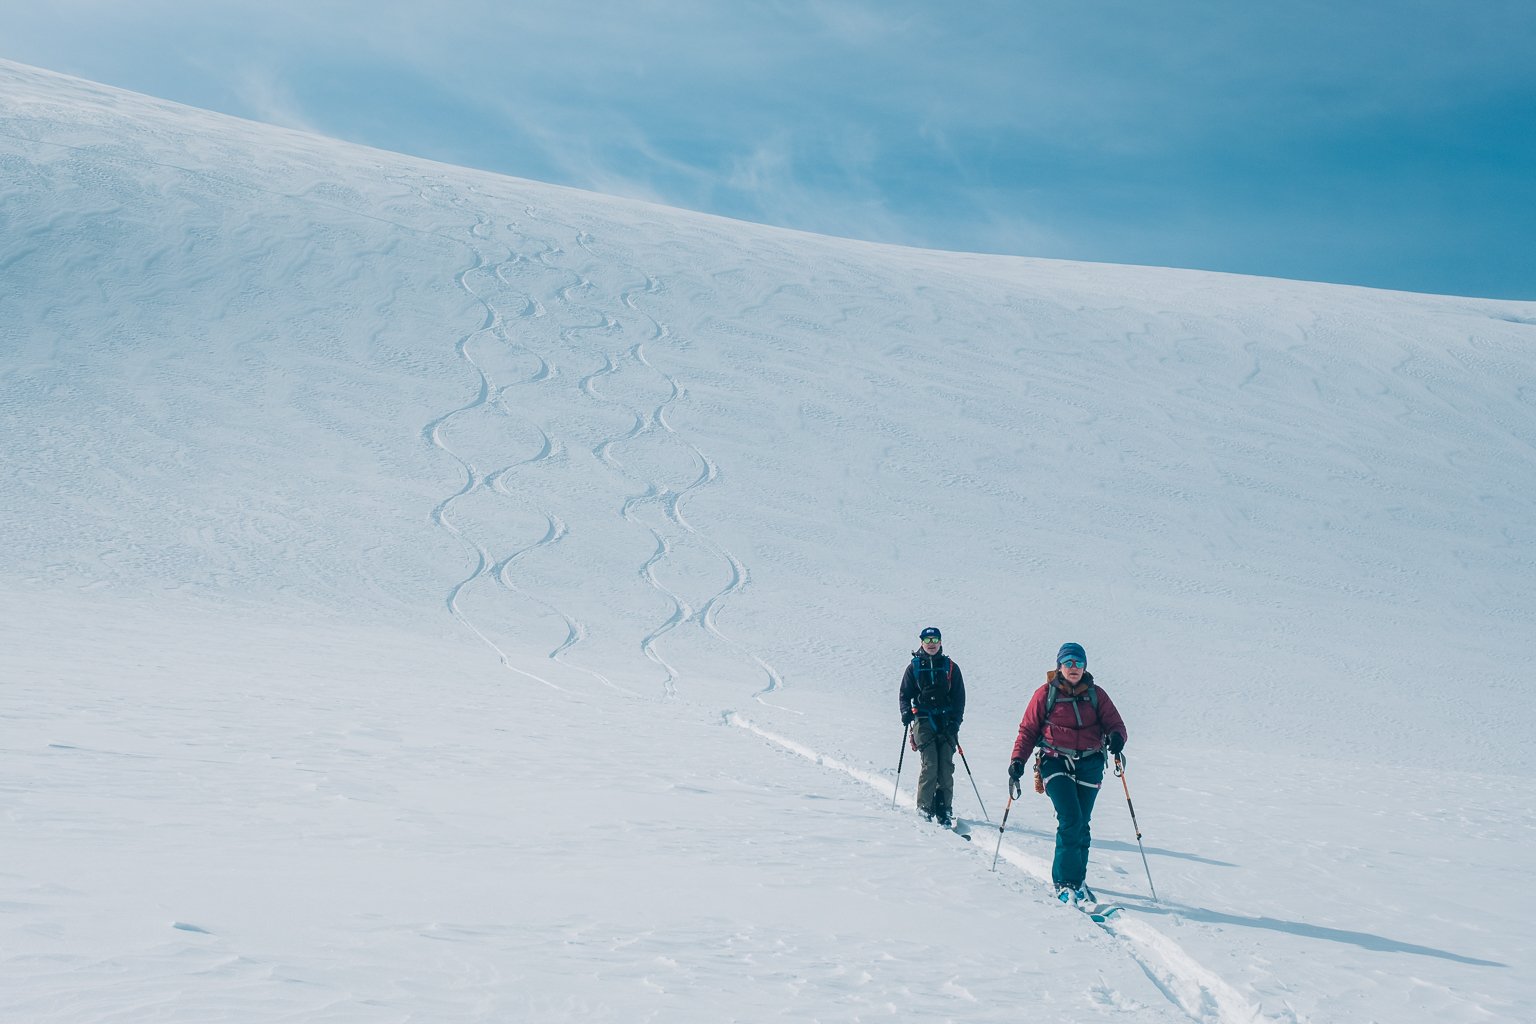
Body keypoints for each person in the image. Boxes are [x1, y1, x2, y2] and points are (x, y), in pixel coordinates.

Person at [1007, 642, 1127, 904]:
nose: (1074, 668)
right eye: (1069, 663)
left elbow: (1115, 723)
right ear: (1059, 665)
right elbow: (1028, 730)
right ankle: (1064, 881)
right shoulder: (1045, 694)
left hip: (1090, 762)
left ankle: (1077, 879)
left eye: (1079, 663)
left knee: (1082, 822)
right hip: (1054, 761)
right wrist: (1018, 760)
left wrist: (1117, 737)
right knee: (1071, 818)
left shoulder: (1097, 695)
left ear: (1085, 666)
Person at [898, 626, 966, 826]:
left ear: (941, 642)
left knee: (946, 766)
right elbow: (905, 694)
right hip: (924, 721)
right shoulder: (914, 667)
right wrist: (905, 713)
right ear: (921, 643)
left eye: (935, 640)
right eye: (927, 641)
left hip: (946, 722)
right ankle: (924, 808)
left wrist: (956, 722)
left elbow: (959, 697)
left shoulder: (950, 667)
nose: (931, 644)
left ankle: (944, 809)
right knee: (930, 765)